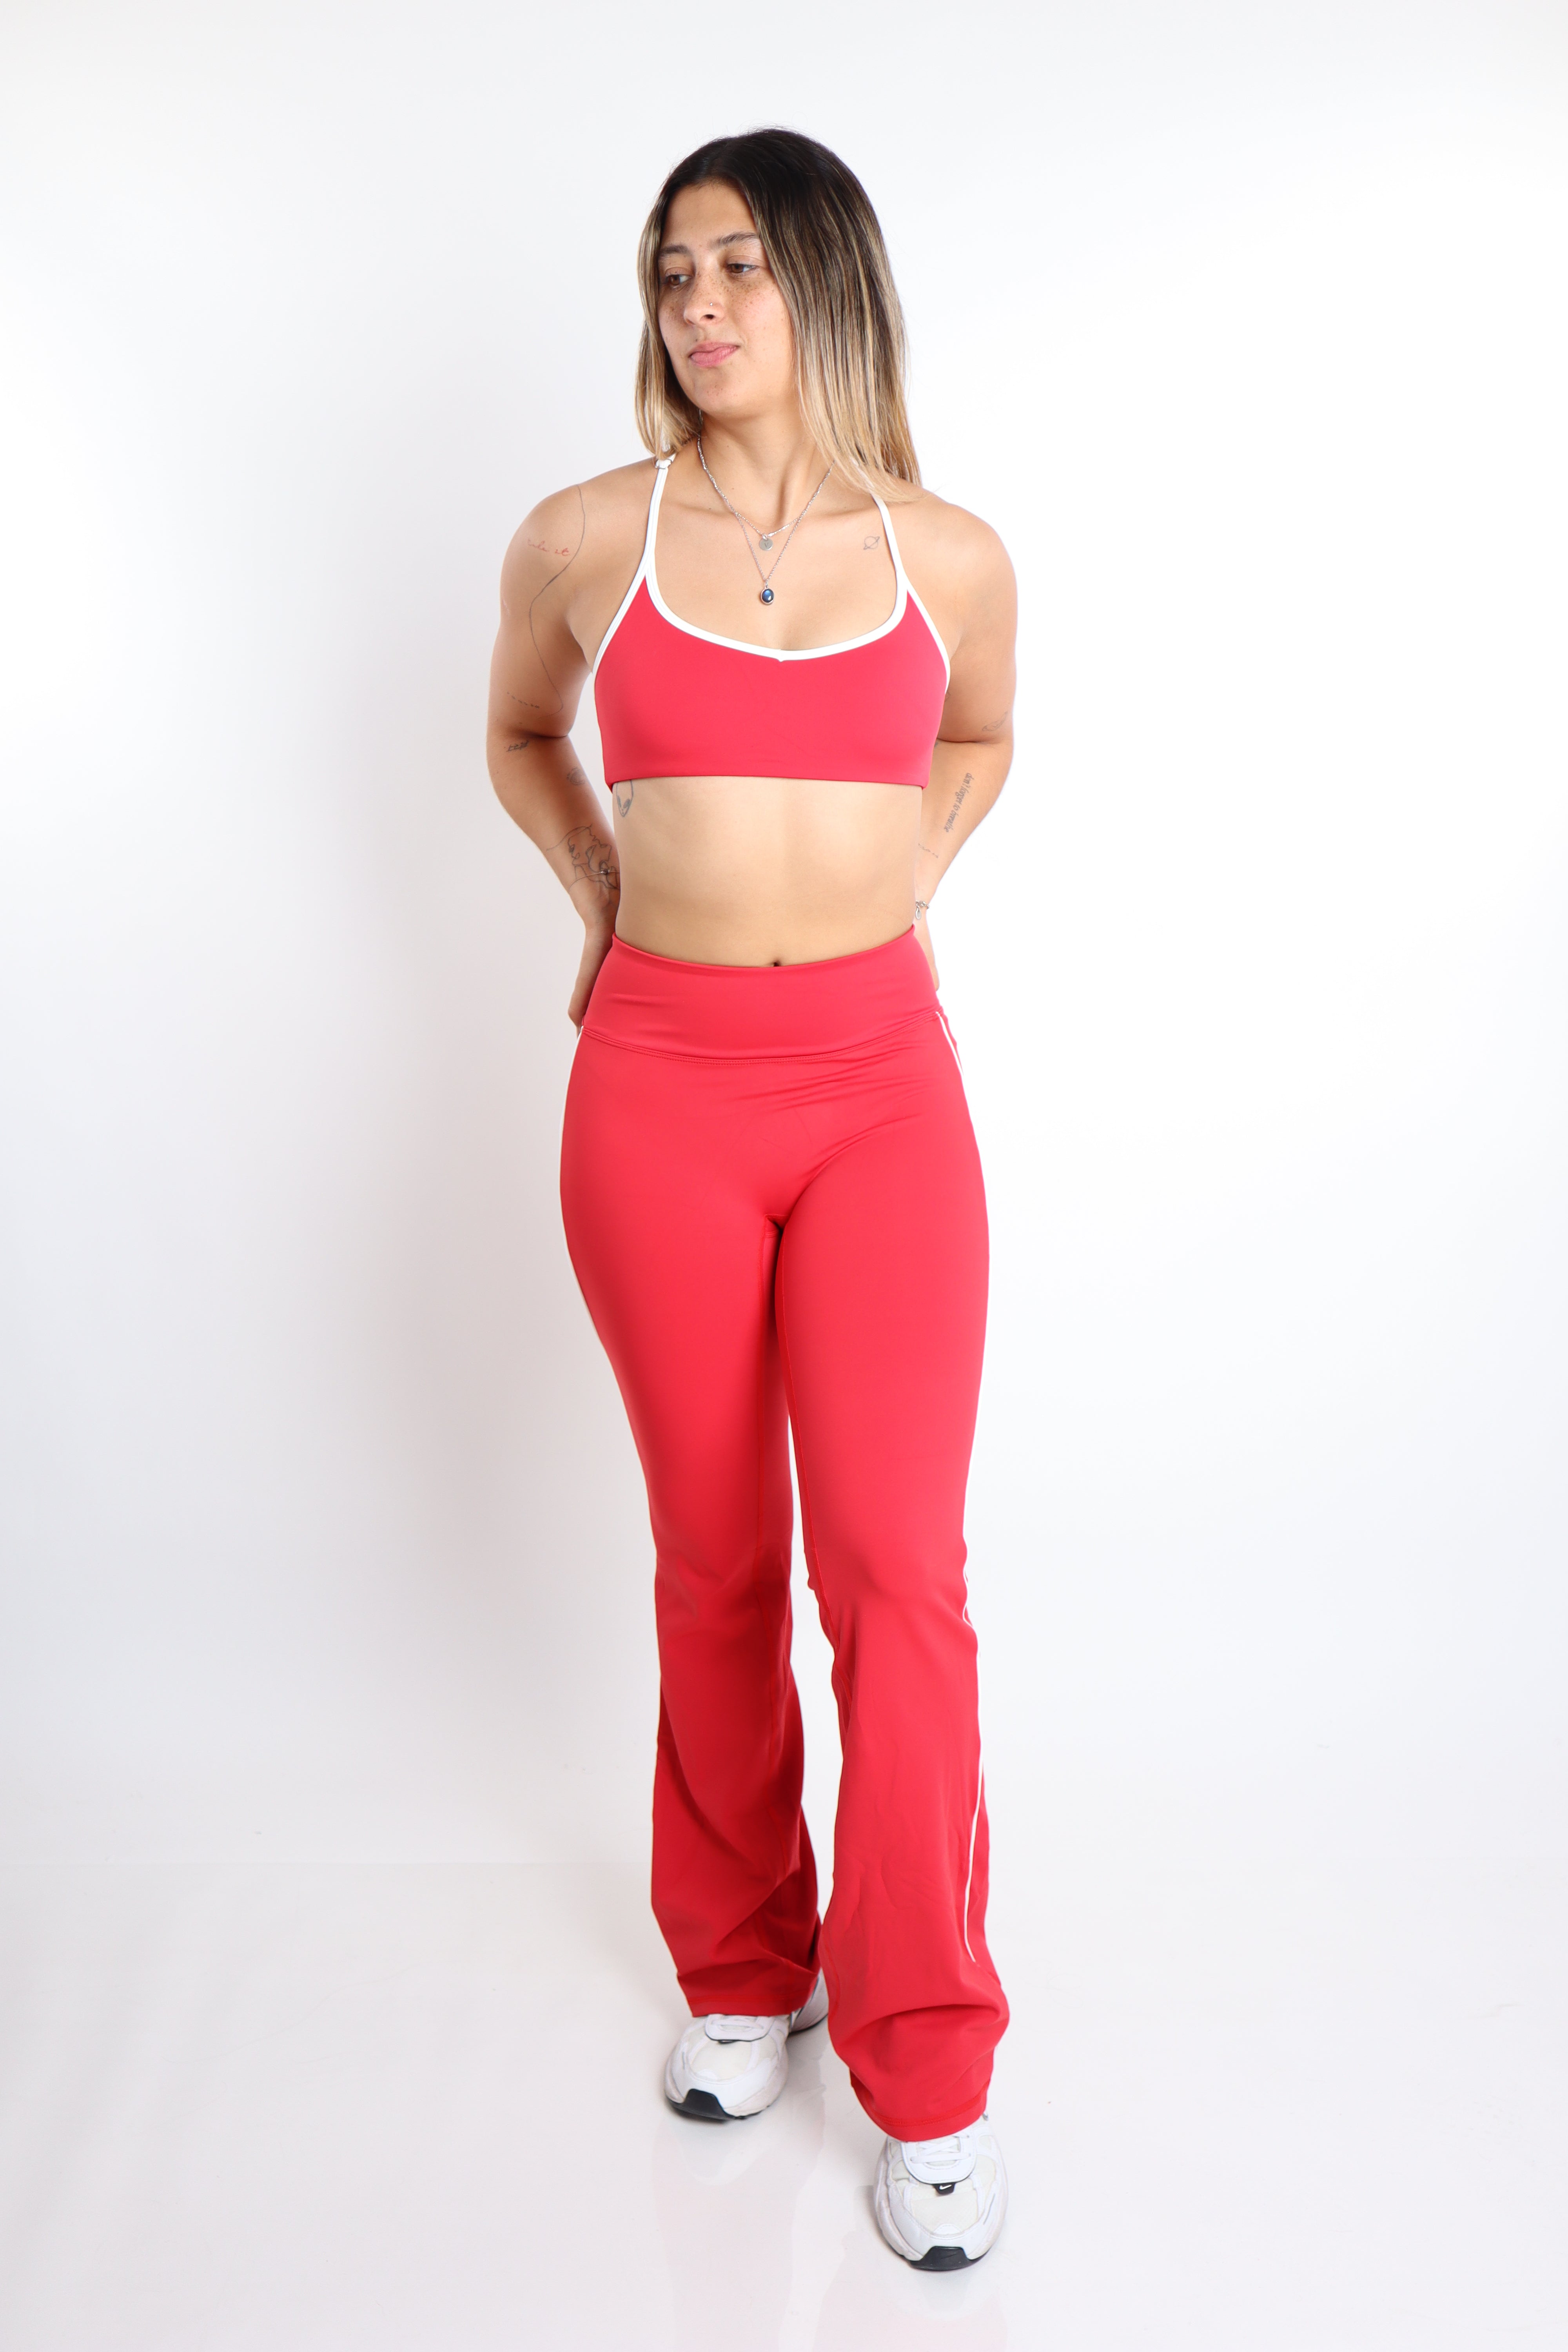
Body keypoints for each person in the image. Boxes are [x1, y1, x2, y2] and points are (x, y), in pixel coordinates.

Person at [486, 128, 1016, 2270]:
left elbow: (981, 739)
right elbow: (522, 735)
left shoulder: (949, 554)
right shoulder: (582, 537)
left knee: (896, 1571)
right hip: (661, 1092)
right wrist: (603, 897)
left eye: (741, 267)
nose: (699, 307)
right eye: (672, 272)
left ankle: (933, 2063)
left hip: (882, 1089)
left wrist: (909, 876)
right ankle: (740, 1966)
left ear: (829, 283)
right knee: (717, 1555)